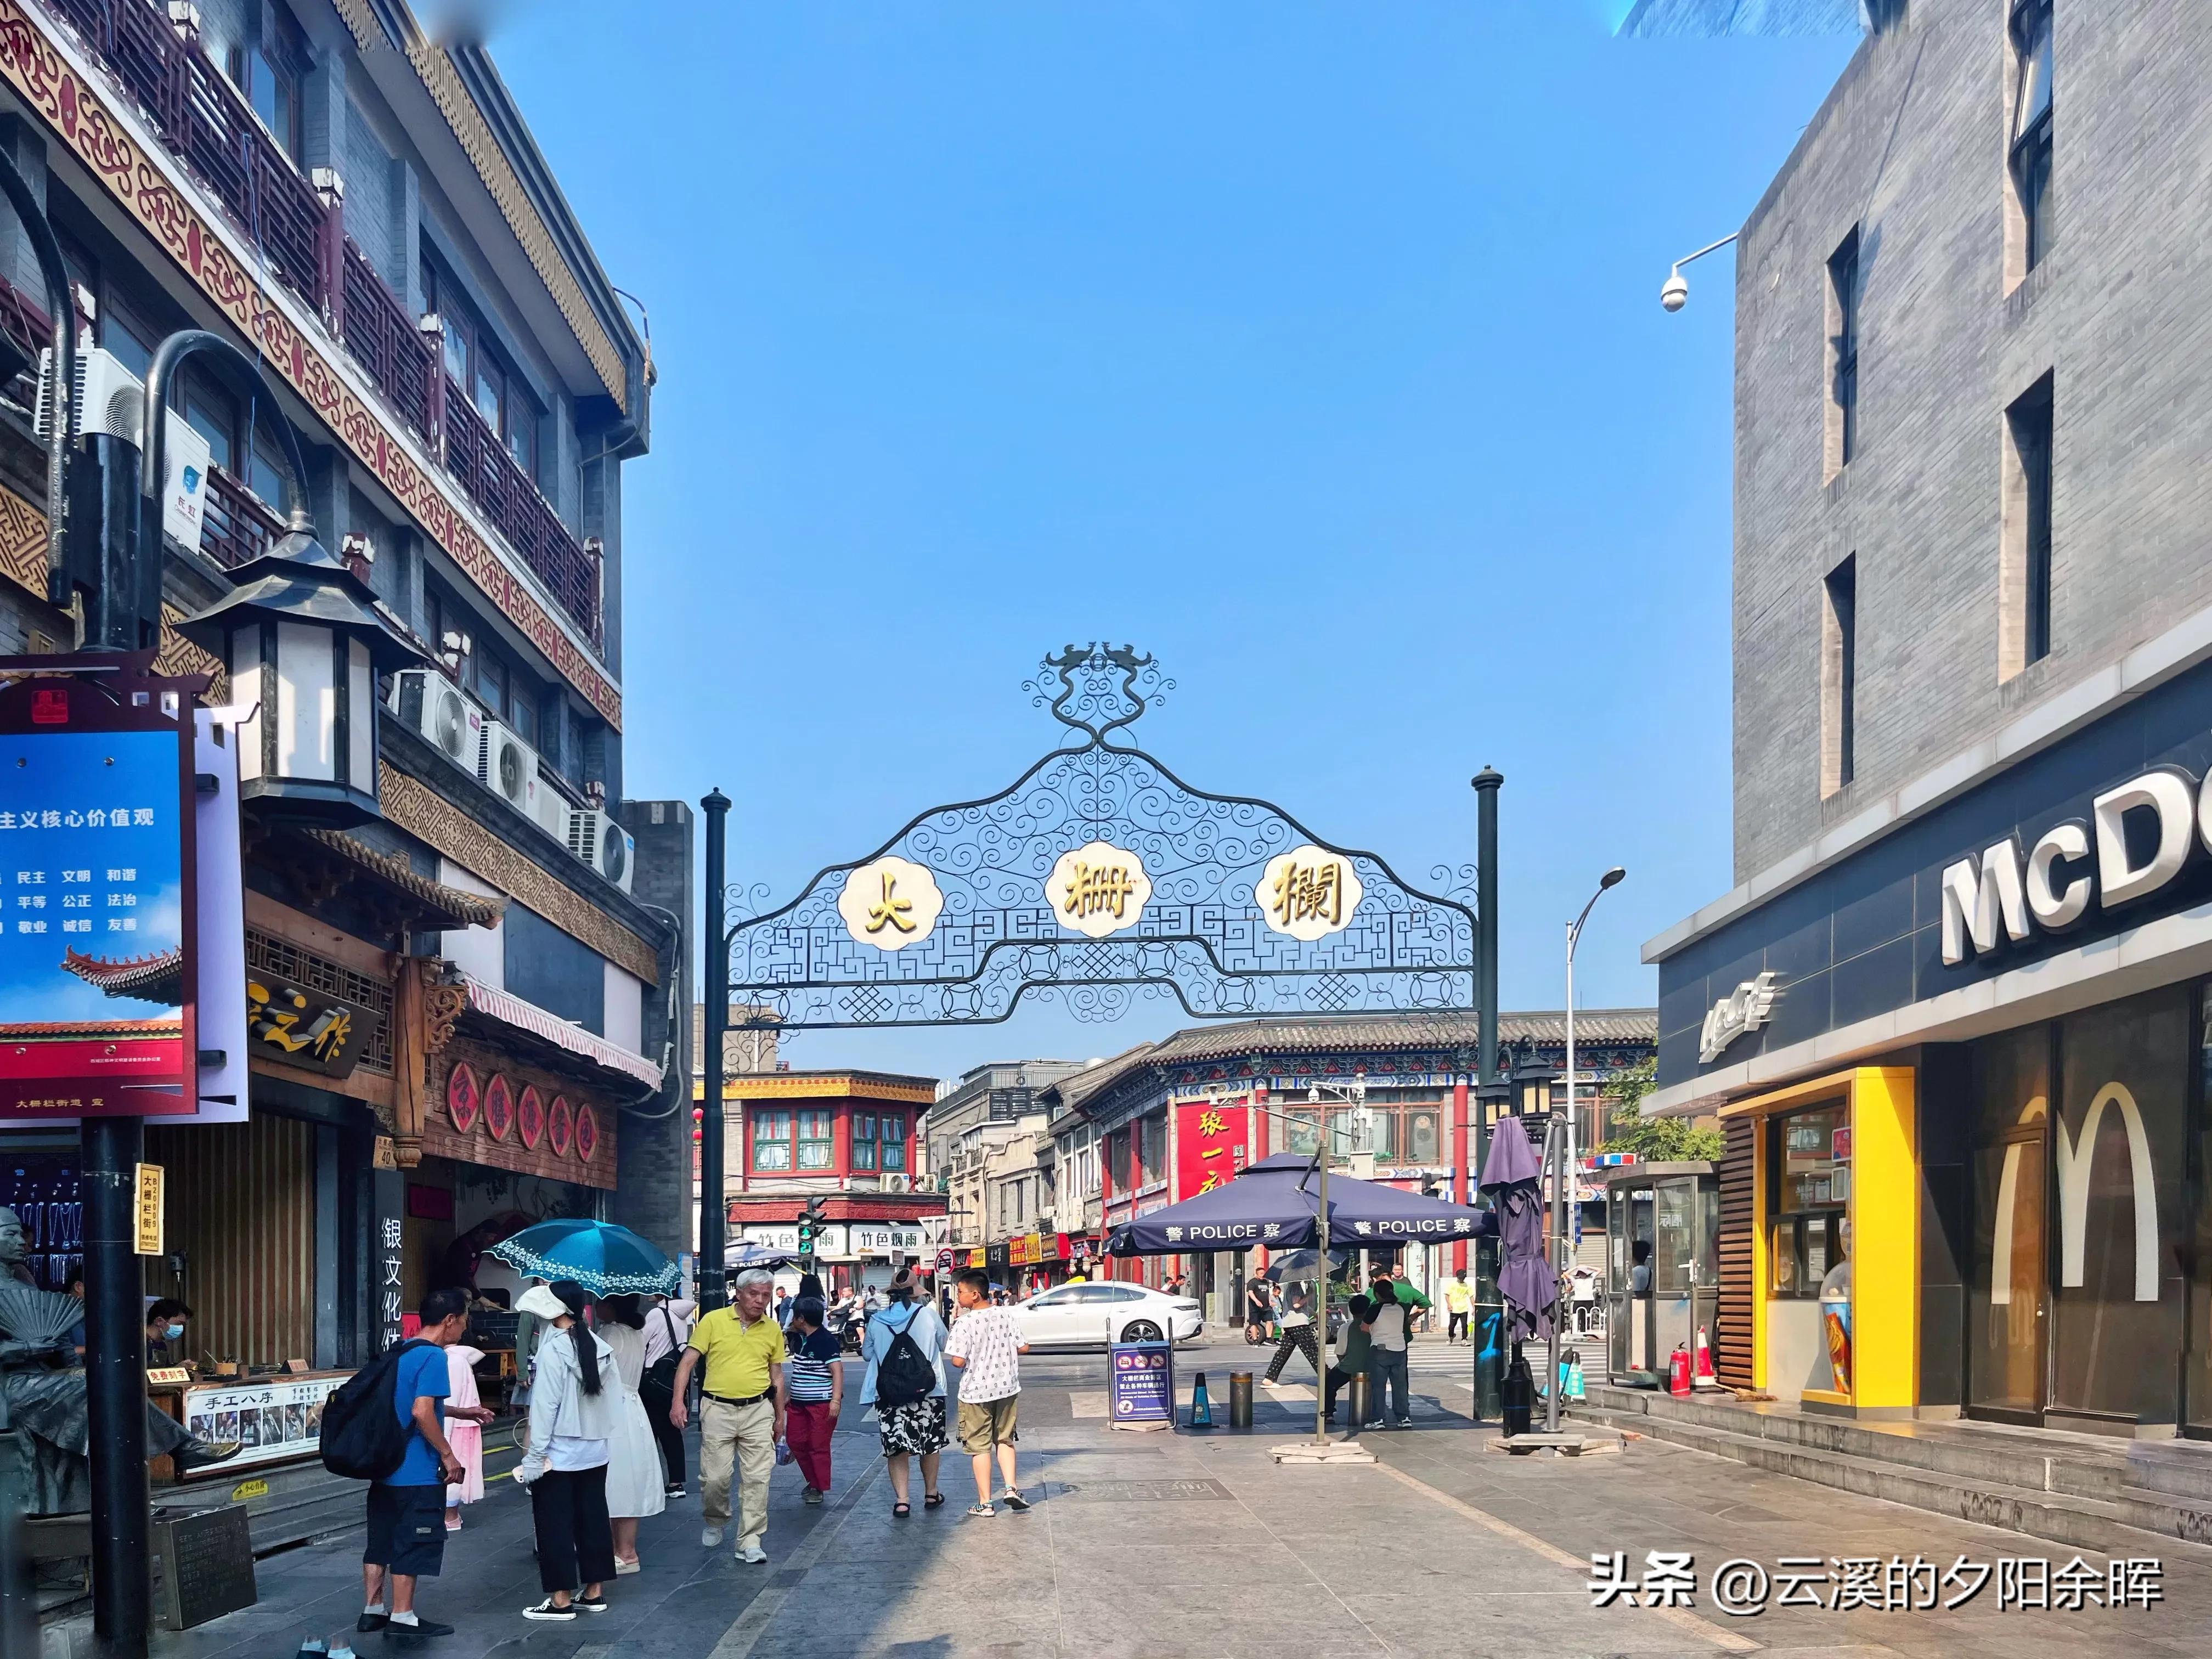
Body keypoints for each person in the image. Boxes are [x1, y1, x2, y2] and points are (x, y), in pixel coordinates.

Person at [360, 1288, 488, 1643]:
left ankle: (373, 1611)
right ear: (449, 1321)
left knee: (380, 1541)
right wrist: (449, 1455)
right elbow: (420, 1412)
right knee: (412, 1540)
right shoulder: (434, 1357)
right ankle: (403, 1616)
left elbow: (409, 1404)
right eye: (463, 1322)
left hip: (384, 1467)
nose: (463, 1330)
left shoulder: (400, 1351)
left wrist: (461, 1411)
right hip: (414, 1469)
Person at [512, 1282, 617, 1620]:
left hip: (557, 1453)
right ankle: (594, 1592)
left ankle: (560, 1600)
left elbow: (546, 1408)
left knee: (554, 1524)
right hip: (595, 1450)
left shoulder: (554, 1348)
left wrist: (533, 1456)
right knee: (594, 1520)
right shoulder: (598, 1345)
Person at [671, 1267, 786, 1564]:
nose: (760, 1300)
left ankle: (750, 1539)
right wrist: (678, 1402)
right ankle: (716, 1518)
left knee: (758, 1478)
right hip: (717, 1409)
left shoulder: (772, 1329)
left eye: (766, 1295)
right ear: (739, 1292)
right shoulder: (713, 1321)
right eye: (754, 1294)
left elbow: (777, 1376)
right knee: (715, 1478)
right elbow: (687, 1363)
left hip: (758, 1409)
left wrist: (780, 1416)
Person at [860, 1265, 949, 1517]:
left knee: (897, 1446)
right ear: (916, 1293)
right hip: (929, 1392)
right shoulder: (929, 1316)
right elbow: (944, 1343)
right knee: (930, 1444)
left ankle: (902, 1500)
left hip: (890, 1394)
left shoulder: (877, 1320)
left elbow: (867, 1355)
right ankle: (931, 1493)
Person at [942, 1266, 1028, 1517]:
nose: (958, 1296)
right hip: (1007, 1387)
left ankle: (985, 1503)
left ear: (975, 1295)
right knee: (1005, 1439)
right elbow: (1023, 1347)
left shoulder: (964, 1322)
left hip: (976, 1392)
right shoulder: (1007, 1315)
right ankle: (1012, 1488)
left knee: (979, 1447)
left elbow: (958, 1361)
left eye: (961, 1292)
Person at [595, 1294, 667, 1573]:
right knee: (629, 1480)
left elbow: (598, 1374)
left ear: (611, 1306)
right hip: (634, 1408)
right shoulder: (636, 1333)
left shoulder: (609, 1332)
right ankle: (625, 1551)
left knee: (615, 1480)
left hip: (612, 1409)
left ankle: (622, 1552)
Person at [782, 1296, 843, 1504]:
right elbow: (799, 1372)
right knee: (795, 1441)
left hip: (821, 1403)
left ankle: (818, 1486)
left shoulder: (825, 1340)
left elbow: (837, 1370)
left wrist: (835, 1401)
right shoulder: (800, 1339)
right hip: (798, 1403)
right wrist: (791, 1396)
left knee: (818, 1446)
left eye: (795, 1317)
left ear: (801, 1319)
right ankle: (813, 1480)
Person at [639, 1295, 695, 1498]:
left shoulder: (657, 1313)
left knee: (648, 1432)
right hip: (671, 1379)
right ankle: (676, 1483)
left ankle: (648, 1483)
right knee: (671, 1432)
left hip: (652, 1379)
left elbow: (640, 1342)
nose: (647, 1293)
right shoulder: (681, 1315)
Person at [441, 1330, 488, 1533]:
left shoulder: (453, 1361)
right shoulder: (459, 1359)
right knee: (457, 1469)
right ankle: (451, 1515)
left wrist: (444, 1437)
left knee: (452, 1470)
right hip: (462, 1424)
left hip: (455, 1425)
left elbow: (450, 1399)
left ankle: (450, 1516)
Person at [1362, 1268, 1414, 1429]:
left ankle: (1378, 1419)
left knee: (1379, 1386)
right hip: (1399, 1350)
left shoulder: (1375, 1308)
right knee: (1400, 1386)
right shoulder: (1400, 1308)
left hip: (1380, 1350)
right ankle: (1404, 1418)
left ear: (1378, 1294)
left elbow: (1364, 1328)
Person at [1324, 1293, 1373, 1425]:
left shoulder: (1347, 1327)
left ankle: (1327, 1414)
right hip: (1375, 1367)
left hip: (1350, 1367)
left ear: (1351, 1311)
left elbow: (1340, 1353)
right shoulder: (1375, 1325)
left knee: (1328, 1383)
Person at [1261, 1285, 1317, 1385]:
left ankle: (1269, 1378)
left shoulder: (1289, 1287)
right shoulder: (1296, 1287)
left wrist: (1316, 1315)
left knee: (1283, 1352)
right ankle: (1329, 1377)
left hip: (1289, 1324)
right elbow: (1296, 1305)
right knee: (1312, 1352)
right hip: (1299, 1324)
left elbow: (1302, 1306)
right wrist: (1308, 1295)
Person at [144, 1298, 191, 1367]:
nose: (181, 1328)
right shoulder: (138, 1344)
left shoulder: (161, 1346)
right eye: (179, 1323)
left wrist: (177, 1369)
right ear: (159, 1321)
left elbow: (160, 1374)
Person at [1443, 1270, 1474, 1345]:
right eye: (1460, 1278)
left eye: (1463, 1278)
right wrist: (1449, 1304)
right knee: (1451, 1326)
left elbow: (1471, 1297)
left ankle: (1464, 1339)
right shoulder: (1453, 1285)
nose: (1462, 1279)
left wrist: (1474, 1307)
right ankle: (1451, 1336)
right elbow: (1447, 1295)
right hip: (1454, 1309)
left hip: (1464, 1308)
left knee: (1464, 1325)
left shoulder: (1467, 1286)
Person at [1244, 1276, 1274, 1346]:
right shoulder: (1252, 1282)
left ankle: (1268, 1339)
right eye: (1261, 1274)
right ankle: (1255, 1340)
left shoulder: (1266, 1282)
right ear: (1256, 1274)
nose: (1262, 1276)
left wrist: (1270, 1301)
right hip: (1255, 1308)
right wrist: (1256, 1301)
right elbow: (1250, 1293)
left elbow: (1267, 1293)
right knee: (1254, 1323)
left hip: (1266, 1307)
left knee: (1270, 1321)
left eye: (1263, 1274)